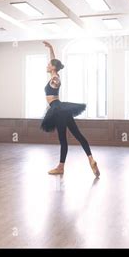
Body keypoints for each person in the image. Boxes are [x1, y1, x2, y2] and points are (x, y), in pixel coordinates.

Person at [41, 41, 100, 177]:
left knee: (63, 140)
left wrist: (57, 81)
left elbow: (56, 81)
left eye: (49, 65)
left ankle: (61, 167)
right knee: (78, 135)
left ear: (53, 68)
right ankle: (91, 158)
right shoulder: (54, 75)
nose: (47, 65)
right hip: (62, 109)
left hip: (57, 109)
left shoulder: (55, 78)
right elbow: (53, 62)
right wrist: (50, 48)